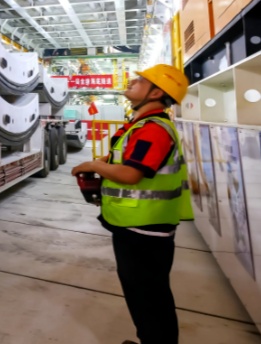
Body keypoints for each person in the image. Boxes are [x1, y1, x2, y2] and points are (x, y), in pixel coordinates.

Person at [71, 64, 193, 344]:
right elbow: (128, 160)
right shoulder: (141, 124)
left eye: (140, 80)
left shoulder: (153, 129)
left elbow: (131, 174)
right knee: (146, 295)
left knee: (148, 298)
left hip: (144, 230)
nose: (131, 82)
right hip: (140, 225)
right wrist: (105, 163)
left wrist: (93, 165)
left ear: (156, 92)